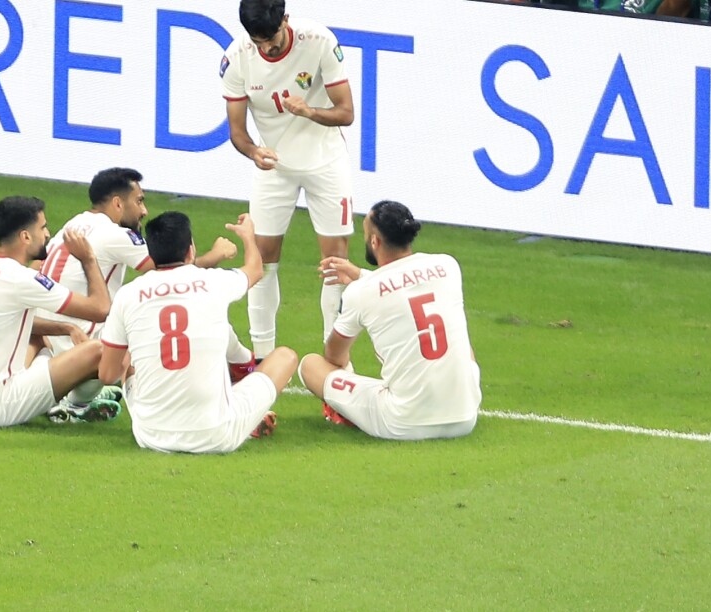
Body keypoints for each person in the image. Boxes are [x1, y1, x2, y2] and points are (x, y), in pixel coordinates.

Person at [34, 167, 248, 422]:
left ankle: (79, 394)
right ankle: (75, 403)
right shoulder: (115, 235)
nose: (144, 211)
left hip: (52, 337)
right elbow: (171, 271)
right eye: (139, 201)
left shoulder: (74, 224)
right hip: (79, 343)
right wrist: (217, 254)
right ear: (117, 203)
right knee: (156, 334)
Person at [98, 212, 298, 454]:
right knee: (285, 357)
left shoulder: (127, 295)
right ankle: (248, 411)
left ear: (151, 254)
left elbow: (107, 374)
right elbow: (255, 270)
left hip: (151, 435)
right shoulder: (214, 281)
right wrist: (248, 236)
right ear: (190, 250)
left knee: (126, 354)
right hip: (217, 435)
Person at [222, 0, 355, 358]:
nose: (267, 48)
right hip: (274, 168)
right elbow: (237, 131)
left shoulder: (319, 41)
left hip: (326, 163)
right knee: (262, 259)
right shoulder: (237, 58)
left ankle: (336, 362)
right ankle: (262, 358)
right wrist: (253, 151)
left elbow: (346, 112)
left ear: (285, 19)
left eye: (272, 39)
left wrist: (309, 111)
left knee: (335, 263)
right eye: (258, 41)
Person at [298, 201, 481, 441]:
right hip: (465, 418)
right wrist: (361, 275)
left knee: (310, 365)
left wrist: (362, 284)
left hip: (403, 423)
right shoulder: (448, 266)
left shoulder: (362, 292)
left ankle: (346, 411)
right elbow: (407, 287)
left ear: (375, 241)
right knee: (457, 335)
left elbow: (334, 356)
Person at [0, 196, 113, 427]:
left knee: (39, 339)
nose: (47, 234)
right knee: (98, 351)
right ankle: (75, 407)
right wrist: (88, 259)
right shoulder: (22, 278)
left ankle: (56, 399)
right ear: (26, 236)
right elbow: (100, 309)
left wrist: (65, 327)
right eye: (43, 227)